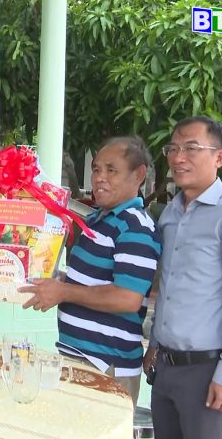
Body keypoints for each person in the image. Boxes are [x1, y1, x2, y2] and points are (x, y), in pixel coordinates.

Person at [143, 116, 222, 439]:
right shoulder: (171, 213)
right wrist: (155, 344)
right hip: (167, 366)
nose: (178, 157)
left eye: (192, 148)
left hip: (207, 371)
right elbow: (170, 288)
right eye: (173, 148)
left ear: (219, 157)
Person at [18, 136, 161, 407]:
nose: (99, 178)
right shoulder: (98, 219)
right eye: (96, 169)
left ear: (138, 175)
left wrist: (64, 292)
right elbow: (91, 281)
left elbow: (126, 298)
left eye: (111, 170)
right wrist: (61, 280)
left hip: (107, 366)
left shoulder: (135, 227)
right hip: (80, 358)